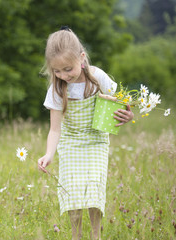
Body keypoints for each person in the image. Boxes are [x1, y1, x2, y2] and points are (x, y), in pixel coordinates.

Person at [37, 27, 134, 240]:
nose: (63, 75)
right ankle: (76, 235)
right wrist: (49, 154)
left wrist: (129, 116)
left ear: (82, 58)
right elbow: (55, 129)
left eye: (67, 69)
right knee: (73, 189)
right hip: (70, 143)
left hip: (96, 140)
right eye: (57, 71)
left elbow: (120, 105)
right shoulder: (56, 89)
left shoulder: (98, 78)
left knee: (93, 188)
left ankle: (96, 235)